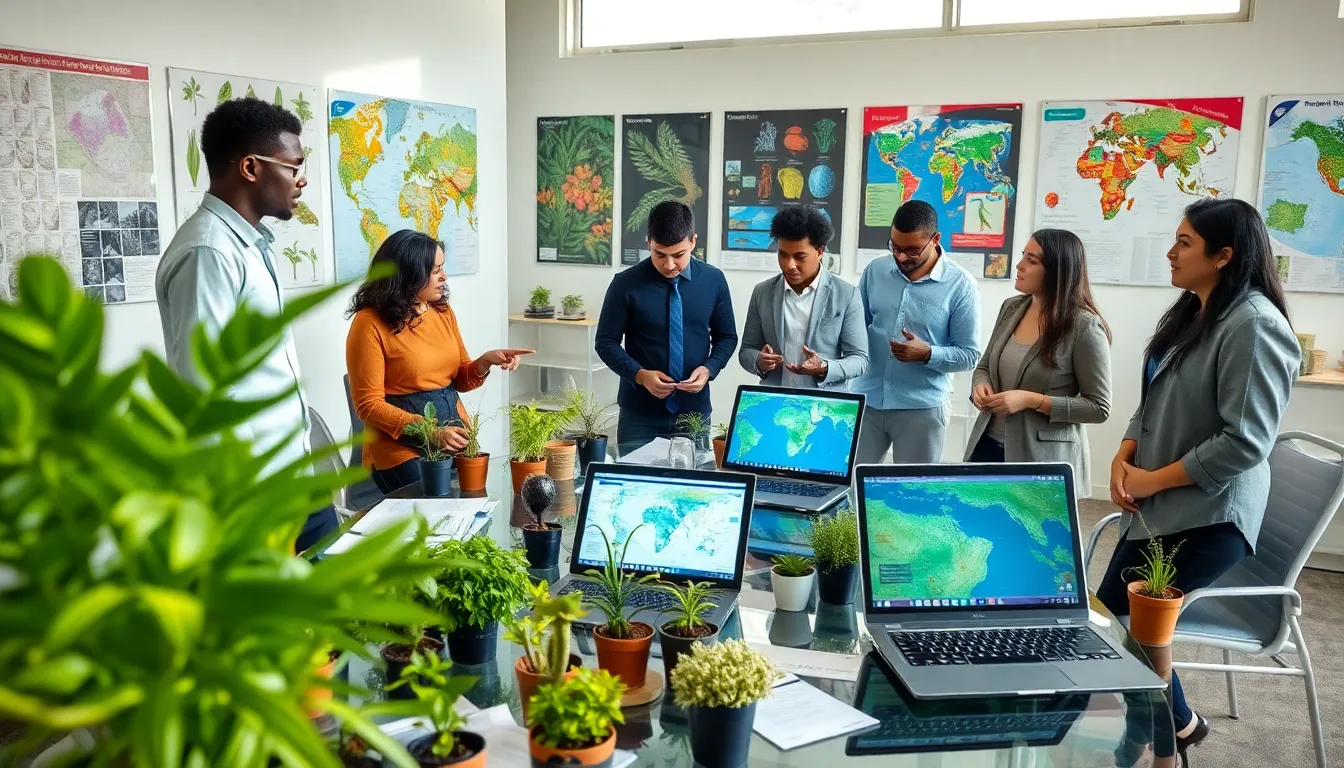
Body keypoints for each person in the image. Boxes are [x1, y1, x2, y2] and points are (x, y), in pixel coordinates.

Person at [1096, 198, 1298, 757]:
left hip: (1211, 514)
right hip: (1161, 502)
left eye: (1185, 242)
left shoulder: (1255, 325)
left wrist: (1151, 480)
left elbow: (1246, 442)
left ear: (1224, 255)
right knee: (1109, 616)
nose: (1171, 250)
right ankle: (1179, 724)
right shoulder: (1196, 310)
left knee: (1132, 627)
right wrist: (1125, 453)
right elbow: (1156, 396)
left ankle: (1151, 738)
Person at [155, 97, 335, 553]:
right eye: (293, 167)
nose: (302, 179)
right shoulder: (208, 253)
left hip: (295, 476)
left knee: (332, 613)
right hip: (258, 493)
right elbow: (206, 390)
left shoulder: (250, 246)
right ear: (251, 168)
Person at [345, 230, 532, 494]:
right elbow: (368, 405)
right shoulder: (369, 323)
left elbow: (460, 379)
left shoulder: (442, 312)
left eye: (442, 268)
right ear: (408, 274)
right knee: (437, 516)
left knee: (473, 507)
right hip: (400, 450)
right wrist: (429, 432)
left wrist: (485, 361)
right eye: (436, 271)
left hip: (453, 436)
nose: (444, 277)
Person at [965, 229, 1112, 495]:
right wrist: (980, 385)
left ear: (1058, 271)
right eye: (1023, 256)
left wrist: (1031, 400)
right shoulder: (1011, 307)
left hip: (1042, 459)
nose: (1019, 265)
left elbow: (1098, 407)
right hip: (987, 445)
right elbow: (985, 366)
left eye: (1032, 260)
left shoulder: (1084, 326)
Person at [595, 201, 737, 451]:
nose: (669, 265)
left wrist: (709, 369)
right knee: (633, 487)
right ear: (649, 242)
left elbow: (727, 337)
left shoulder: (714, 281)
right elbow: (605, 342)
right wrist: (639, 375)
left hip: (694, 412)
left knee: (694, 489)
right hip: (639, 415)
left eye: (679, 255)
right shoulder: (625, 284)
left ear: (693, 242)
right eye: (660, 254)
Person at [852, 200, 981, 464]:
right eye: (895, 247)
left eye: (911, 251)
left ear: (935, 239)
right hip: (868, 400)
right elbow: (855, 328)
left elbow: (969, 355)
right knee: (851, 486)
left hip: (921, 408)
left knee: (912, 492)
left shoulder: (961, 285)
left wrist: (927, 354)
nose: (900, 257)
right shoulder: (875, 270)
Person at [738, 206, 867, 389]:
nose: (790, 265)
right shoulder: (762, 292)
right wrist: (759, 360)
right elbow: (746, 351)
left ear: (820, 252)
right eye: (783, 255)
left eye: (800, 257)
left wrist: (824, 367)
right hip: (774, 402)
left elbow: (860, 359)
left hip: (824, 406)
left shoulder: (847, 294)